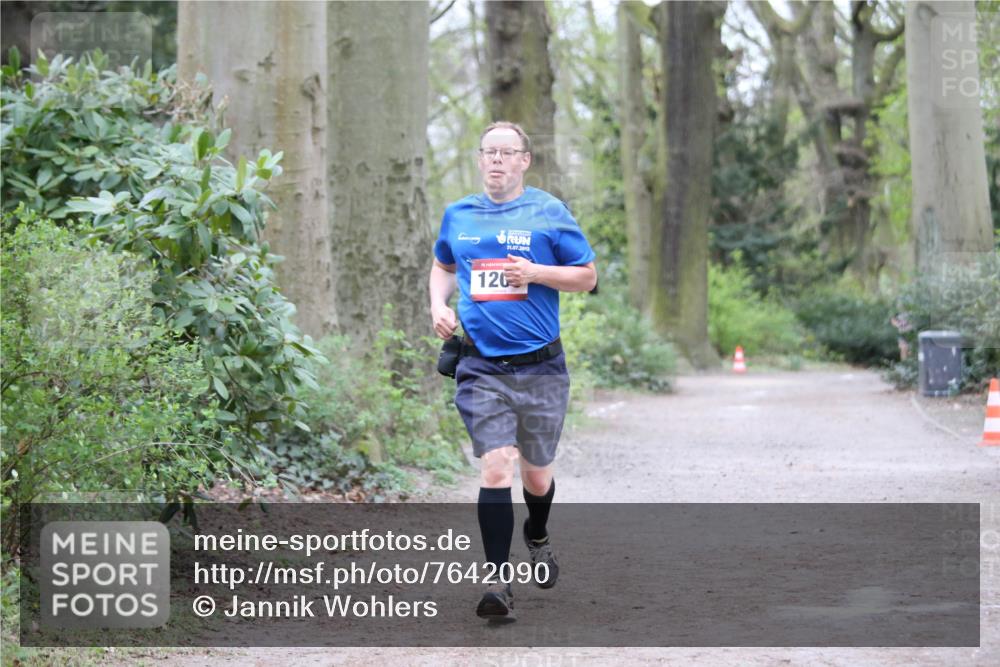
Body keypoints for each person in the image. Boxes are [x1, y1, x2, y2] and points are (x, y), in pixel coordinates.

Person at [428, 121, 597, 621]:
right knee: (496, 465)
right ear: (480, 160)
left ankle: (538, 534)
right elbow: (443, 265)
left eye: (507, 152)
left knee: (537, 476)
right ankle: (497, 581)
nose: (497, 160)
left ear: (525, 160)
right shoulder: (458, 215)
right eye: (489, 152)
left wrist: (536, 272)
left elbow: (587, 277)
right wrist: (438, 304)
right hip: (480, 364)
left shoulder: (549, 212)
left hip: (542, 366)